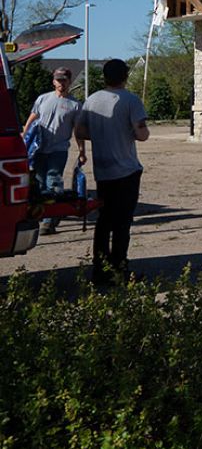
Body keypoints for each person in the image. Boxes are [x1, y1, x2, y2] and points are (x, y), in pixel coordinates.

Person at [74, 59, 149, 287]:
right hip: (126, 169)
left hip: (103, 170)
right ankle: (119, 269)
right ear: (125, 76)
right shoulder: (131, 100)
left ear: (105, 77)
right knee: (122, 223)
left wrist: (100, 134)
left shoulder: (92, 100)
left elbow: (79, 130)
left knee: (104, 221)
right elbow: (142, 134)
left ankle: (99, 269)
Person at [22, 67, 86, 234]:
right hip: (39, 149)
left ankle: (50, 221)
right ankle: (43, 215)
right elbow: (32, 117)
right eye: (58, 80)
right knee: (39, 183)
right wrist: (24, 136)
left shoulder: (74, 105)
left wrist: (82, 151)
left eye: (64, 80)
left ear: (69, 81)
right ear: (53, 81)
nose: (61, 83)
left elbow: (77, 131)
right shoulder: (43, 99)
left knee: (53, 181)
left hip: (58, 150)